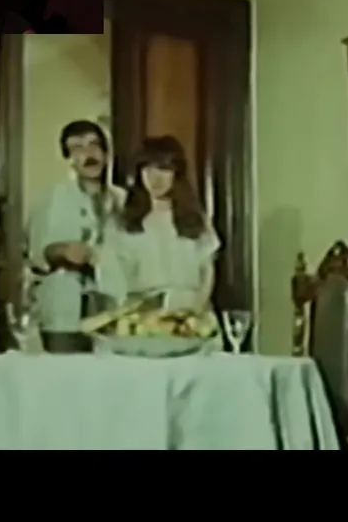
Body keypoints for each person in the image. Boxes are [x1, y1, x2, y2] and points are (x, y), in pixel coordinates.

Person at [26, 120, 125, 353]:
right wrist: (62, 251)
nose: (89, 155)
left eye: (94, 145)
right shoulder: (52, 199)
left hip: (112, 310)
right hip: (65, 310)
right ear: (69, 159)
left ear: (106, 153)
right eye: (78, 148)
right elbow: (36, 254)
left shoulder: (123, 200)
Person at [109, 136, 221, 321]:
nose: (156, 177)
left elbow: (207, 271)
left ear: (176, 173)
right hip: (143, 317)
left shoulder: (194, 218)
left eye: (164, 169)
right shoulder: (124, 221)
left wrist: (196, 308)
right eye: (148, 169)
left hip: (192, 314)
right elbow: (116, 278)